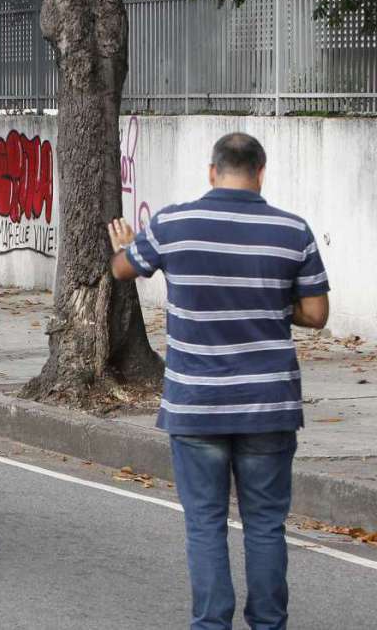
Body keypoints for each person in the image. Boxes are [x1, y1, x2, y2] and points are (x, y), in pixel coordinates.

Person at [108, 133, 330, 630]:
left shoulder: (172, 224)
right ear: (261, 172)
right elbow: (316, 313)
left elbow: (123, 270)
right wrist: (270, 303)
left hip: (196, 404)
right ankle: (269, 624)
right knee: (266, 525)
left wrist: (125, 246)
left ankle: (211, 624)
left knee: (205, 523)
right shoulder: (293, 230)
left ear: (212, 172)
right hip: (267, 404)